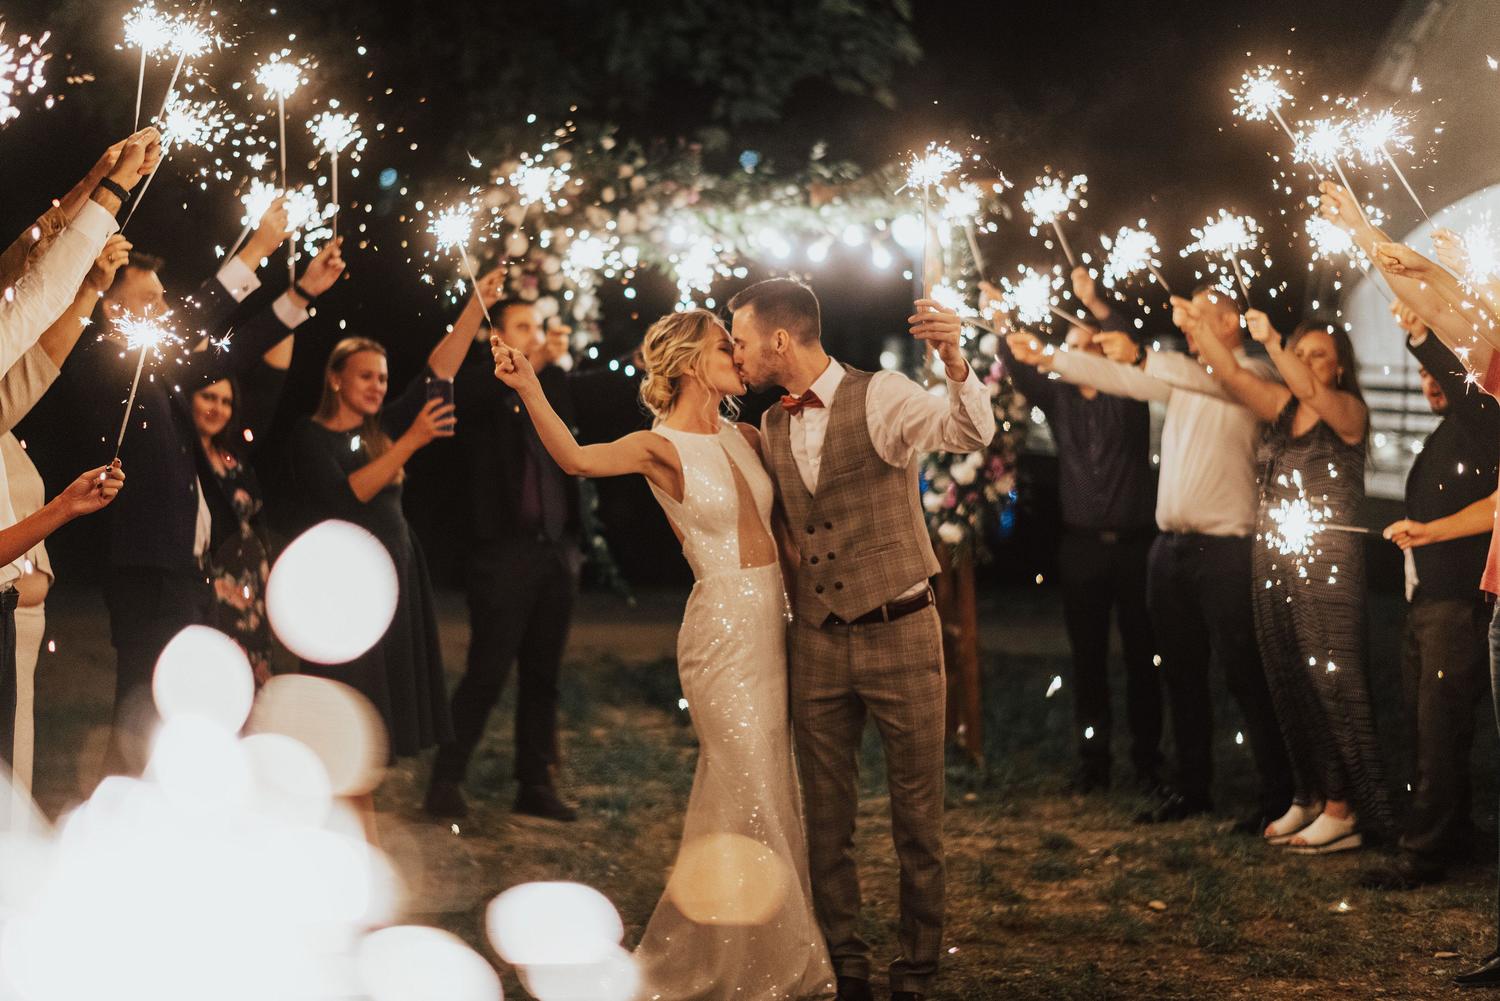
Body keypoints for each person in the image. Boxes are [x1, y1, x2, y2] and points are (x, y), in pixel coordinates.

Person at [490, 305, 833, 999]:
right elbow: (576, 458)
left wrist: (813, 619)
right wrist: (529, 386)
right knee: (749, 787)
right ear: (689, 362)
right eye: (725, 347)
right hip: (721, 634)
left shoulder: (745, 434)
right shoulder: (659, 445)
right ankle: (770, 966)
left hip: (775, 624)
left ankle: (759, 948)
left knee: (772, 784)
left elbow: (788, 537)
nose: (739, 355)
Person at [731, 279, 994, 1001]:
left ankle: (917, 970)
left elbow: (967, 433)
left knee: (918, 819)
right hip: (817, 641)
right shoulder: (770, 425)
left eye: (742, 339)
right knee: (827, 819)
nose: (737, 352)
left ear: (779, 338)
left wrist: (955, 362)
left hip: (901, 629)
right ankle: (845, 962)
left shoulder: (882, 395)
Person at [1008, 285, 1294, 833]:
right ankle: (1192, 788)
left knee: (1244, 674)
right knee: (1181, 676)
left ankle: (1278, 794)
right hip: (1171, 549)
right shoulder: (1185, 375)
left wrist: (1142, 355)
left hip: (1227, 549)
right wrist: (1050, 357)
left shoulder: (1253, 374)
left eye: (1199, 317)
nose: (1186, 326)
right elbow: (1122, 379)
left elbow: (1200, 376)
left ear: (1230, 323)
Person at [86, 213, 343, 776]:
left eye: (163, 299)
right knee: (139, 711)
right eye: (150, 300)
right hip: (149, 577)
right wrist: (256, 249)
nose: (164, 310)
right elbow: (193, 319)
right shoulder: (114, 364)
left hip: (184, 575)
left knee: (172, 713)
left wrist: (301, 294)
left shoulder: (165, 375)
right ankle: (119, 809)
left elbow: (235, 351)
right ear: (111, 309)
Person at [1183, 296, 1387, 853]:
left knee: (1332, 683)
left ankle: (1348, 807)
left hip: (1327, 568)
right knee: (1286, 676)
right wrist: (1199, 325)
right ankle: (1311, 793)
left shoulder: (1347, 412)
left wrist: (1274, 343)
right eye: (1301, 352)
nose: (1307, 362)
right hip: (1274, 561)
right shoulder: (1280, 408)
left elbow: (1315, 394)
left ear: (1339, 367)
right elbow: (1228, 373)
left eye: (1318, 355)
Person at [989, 266, 1161, 795]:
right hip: (1081, 546)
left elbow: (1127, 337)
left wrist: (1096, 303)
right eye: (1074, 343)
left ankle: (1149, 761)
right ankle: (1094, 761)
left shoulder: (1129, 392)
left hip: (1135, 546)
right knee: (1087, 658)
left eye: (1089, 341)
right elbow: (1019, 362)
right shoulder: (1059, 397)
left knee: (1142, 656)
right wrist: (1002, 321)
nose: (1080, 350)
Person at [424, 271, 582, 822]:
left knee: (544, 676)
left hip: (554, 551)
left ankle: (534, 784)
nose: (534, 336)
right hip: (501, 554)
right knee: (486, 671)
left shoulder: (550, 384)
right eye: (522, 328)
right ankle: (445, 780)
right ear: (498, 337)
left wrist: (547, 369)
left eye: (537, 327)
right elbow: (456, 390)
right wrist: (527, 366)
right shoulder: (479, 387)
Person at [1360, 301, 1500, 887]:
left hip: (1460, 603)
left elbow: (1493, 505)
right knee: (1428, 725)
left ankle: (1423, 852)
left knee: (1439, 730)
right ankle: (1452, 833)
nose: (1430, 384)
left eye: (1439, 373)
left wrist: (1422, 335)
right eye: (1421, 375)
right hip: (1430, 600)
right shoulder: (1449, 432)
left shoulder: (1483, 423)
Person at [287, 329, 466, 776]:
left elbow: (439, 369)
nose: (377, 387)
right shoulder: (309, 436)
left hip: (396, 576)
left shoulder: (381, 428)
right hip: (344, 590)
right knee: (350, 699)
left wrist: (476, 304)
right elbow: (348, 494)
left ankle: (364, 793)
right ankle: (341, 789)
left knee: (385, 705)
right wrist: (412, 441)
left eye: (383, 378)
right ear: (335, 379)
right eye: (365, 376)